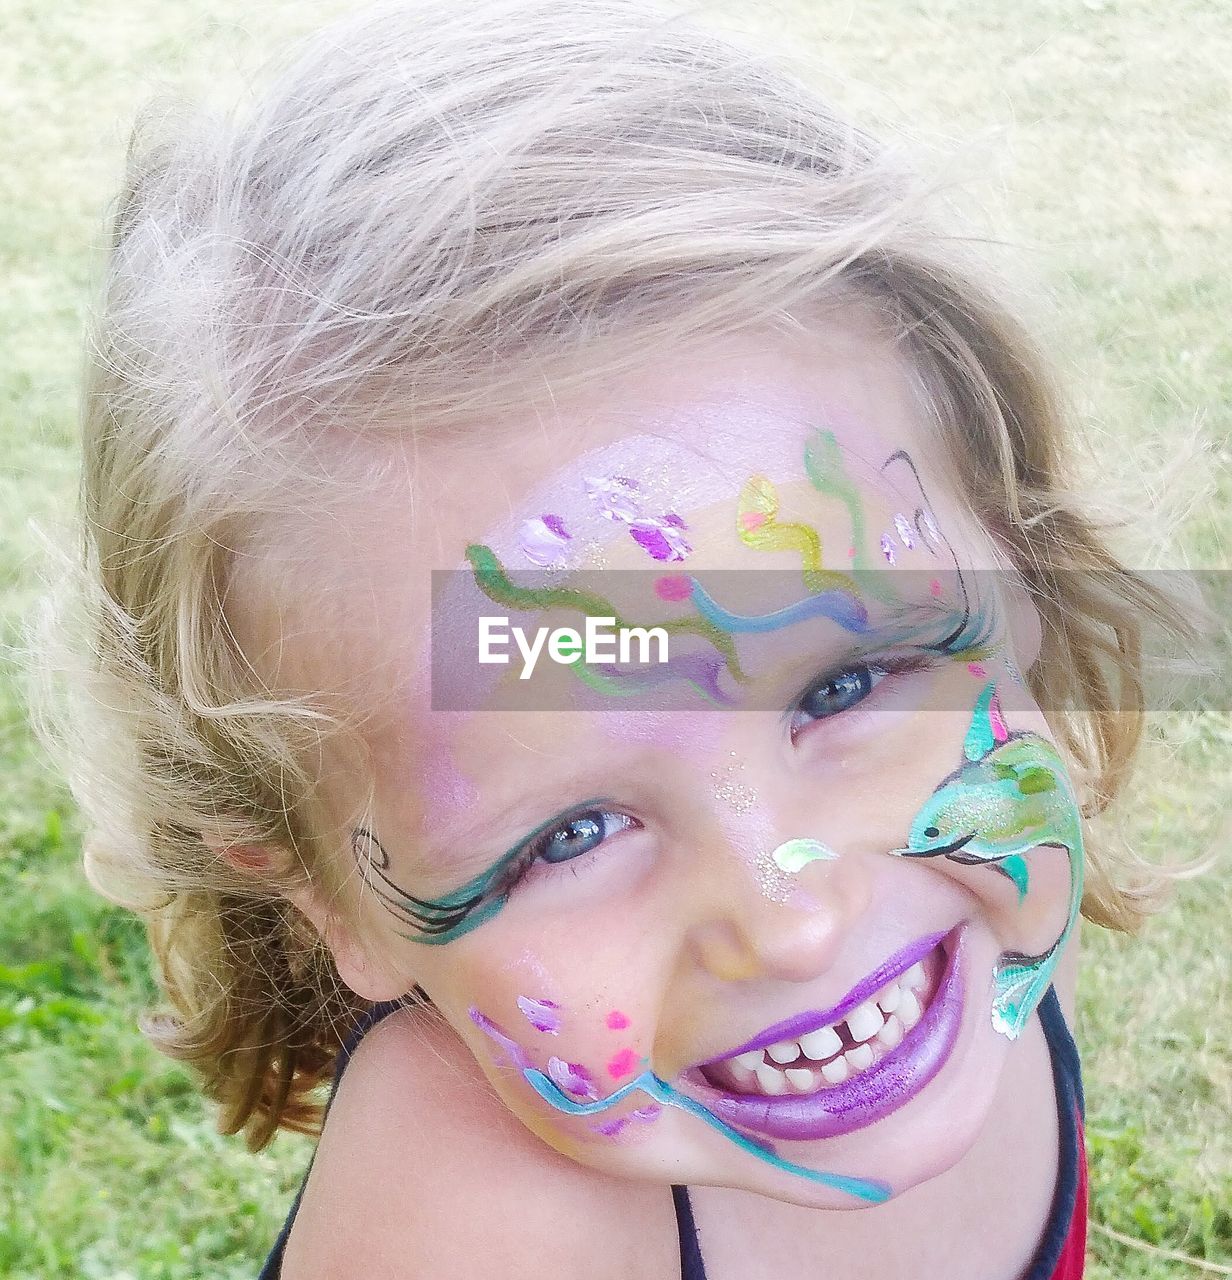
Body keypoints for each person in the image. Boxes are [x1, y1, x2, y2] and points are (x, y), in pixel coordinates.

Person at [32, 0, 1196, 1275]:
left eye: (850, 680)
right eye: (568, 835)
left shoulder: (984, 938)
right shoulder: (479, 1227)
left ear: (1015, 560)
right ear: (327, 901)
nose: (793, 917)